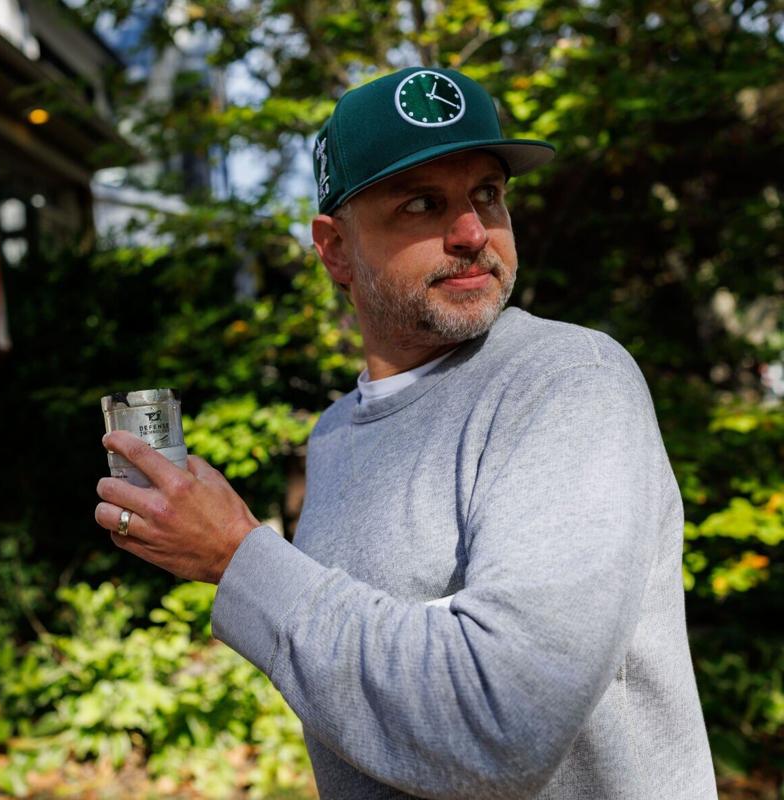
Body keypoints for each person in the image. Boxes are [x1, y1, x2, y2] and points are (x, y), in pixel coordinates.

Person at [94, 66, 718, 799]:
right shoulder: (335, 436)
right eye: (422, 204)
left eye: (488, 194)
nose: (472, 232)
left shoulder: (568, 382)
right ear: (334, 248)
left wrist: (238, 557)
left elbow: (499, 722)